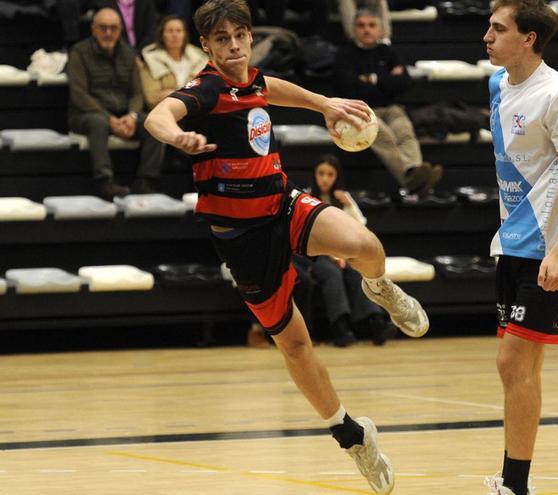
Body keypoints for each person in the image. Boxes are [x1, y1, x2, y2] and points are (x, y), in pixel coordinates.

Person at [144, 1, 431, 492]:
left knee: (364, 242)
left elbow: (271, 88)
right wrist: (178, 137)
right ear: (208, 47)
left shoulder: (251, 80)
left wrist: (324, 104)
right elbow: (159, 114)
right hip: (241, 239)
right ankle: (352, 434)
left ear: (250, 37)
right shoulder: (206, 88)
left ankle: (380, 289)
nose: (233, 46)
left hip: (281, 203)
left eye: (240, 36)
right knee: (295, 345)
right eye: (222, 40)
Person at [483, 0, 558, 493]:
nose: (487, 36)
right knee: (521, 368)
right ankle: (514, 480)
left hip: (552, 251)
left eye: (498, 28)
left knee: (511, 362)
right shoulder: (497, 84)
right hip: (511, 241)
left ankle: (516, 486)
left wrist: (557, 251)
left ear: (528, 38)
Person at [332, 9, 442, 196]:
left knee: (404, 131)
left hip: (390, 108)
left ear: (380, 30)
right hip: (360, 109)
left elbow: (404, 82)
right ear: (354, 30)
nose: (366, 30)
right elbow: (348, 88)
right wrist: (385, 80)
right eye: (361, 26)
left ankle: (416, 173)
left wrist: (370, 79)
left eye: (371, 25)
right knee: (384, 136)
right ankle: (410, 179)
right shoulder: (344, 55)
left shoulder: (387, 52)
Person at [67, 7, 165, 199]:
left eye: (113, 28)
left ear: (120, 30)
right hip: (86, 115)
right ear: (93, 29)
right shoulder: (79, 52)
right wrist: (109, 118)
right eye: (103, 28)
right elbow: (79, 94)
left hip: (123, 114)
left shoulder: (129, 53)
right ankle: (104, 181)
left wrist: (132, 115)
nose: (108, 33)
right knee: (98, 122)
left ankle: (146, 181)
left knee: (157, 124)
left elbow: (137, 94)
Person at [306, 155, 396, 347]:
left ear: (336, 177)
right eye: (321, 173)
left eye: (330, 174)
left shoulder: (343, 198)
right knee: (331, 273)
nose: (325, 179)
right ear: (314, 175)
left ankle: (376, 323)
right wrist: (334, 256)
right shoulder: (306, 199)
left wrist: (349, 205)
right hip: (316, 255)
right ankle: (340, 328)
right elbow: (310, 235)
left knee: (357, 273)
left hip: (343, 255)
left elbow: (361, 228)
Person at [140, 14, 209, 109]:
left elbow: (207, 92)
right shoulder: (150, 59)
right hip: (164, 113)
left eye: (179, 31)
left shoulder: (199, 57)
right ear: (162, 35)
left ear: (185, 34)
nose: (174, 35)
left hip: (197, 112)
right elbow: (152, 99)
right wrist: (190, 93)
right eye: (170, 31)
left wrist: (171, 93)